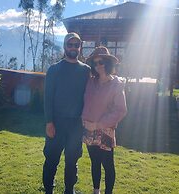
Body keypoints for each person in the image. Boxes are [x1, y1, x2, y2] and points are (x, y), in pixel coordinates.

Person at [43, 32, 91, 194]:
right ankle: (48, 189)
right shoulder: (54, 69)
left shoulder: (86, 70)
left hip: (76, 124)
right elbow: (48, 98)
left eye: (76, 45)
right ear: (65, 46)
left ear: (80, 47)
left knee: (72, 160)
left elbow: (91, 94)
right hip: (56, 122)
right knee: (51, 159)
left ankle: (69, 190)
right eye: (70, 44)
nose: (73, 47)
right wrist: (49, 122)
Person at [82, 46, 127, 194]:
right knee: (95, 163)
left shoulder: (116, 84)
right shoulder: (90, 82)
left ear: (108, 63)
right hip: (89, 130)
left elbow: (121, 110)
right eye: (95, 63)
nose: (98, 65)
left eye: (101, 61)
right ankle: (96, 191)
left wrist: (98, 124)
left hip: (105, 131)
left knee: (108, 165)